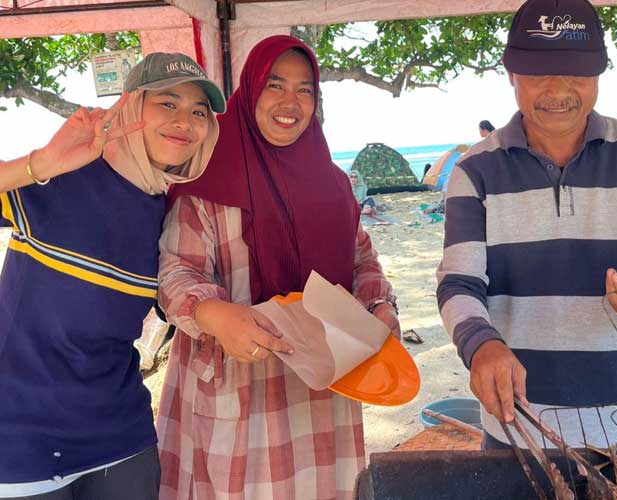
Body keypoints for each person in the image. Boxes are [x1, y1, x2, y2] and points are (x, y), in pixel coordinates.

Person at [437, 0, 617, 451]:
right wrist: (480, 344)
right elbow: (459, 283)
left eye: (576, 73)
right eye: (540, 73)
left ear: (599, 73)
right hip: (522, 432)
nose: (559, 90)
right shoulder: (473, 172)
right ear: (511, 74)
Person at [156, 35, 399, 500]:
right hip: (237, 386)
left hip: (322, 385)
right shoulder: (207, 176)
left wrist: (378, 303)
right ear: (250, 92)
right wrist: (216, 314)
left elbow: (361, 259)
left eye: (305, 89)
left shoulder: (331, 184)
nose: (291, 102)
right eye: (275, 85)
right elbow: (175, 272)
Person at [0, 52, 224, 500]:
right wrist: (40, 162)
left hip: (122, 437)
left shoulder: (171, 212)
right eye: (167, 103)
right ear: (131, 107)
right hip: (21, 436)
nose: (185, 121)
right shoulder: (64, 178)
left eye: (199, 111)